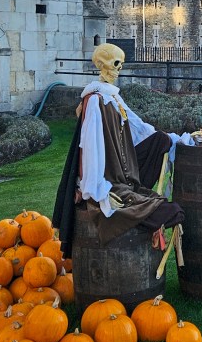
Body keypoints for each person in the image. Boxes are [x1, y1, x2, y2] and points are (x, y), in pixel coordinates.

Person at [55, 43, 185, 254]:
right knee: (171, 210)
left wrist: (171, 140)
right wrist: (98, 188)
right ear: (101, 64)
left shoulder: (111, 96)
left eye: (121, 64)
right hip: (108, 178)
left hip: (120, 172)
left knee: (160, 140)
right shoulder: (97, 100)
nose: (118, 69)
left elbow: (138, 128)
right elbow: (91, 145)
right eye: (115, 63)